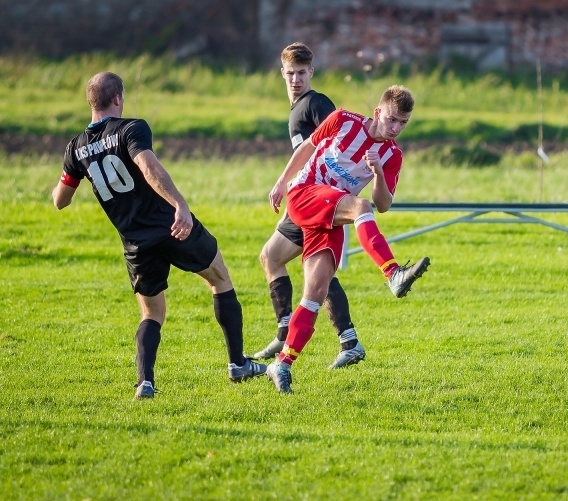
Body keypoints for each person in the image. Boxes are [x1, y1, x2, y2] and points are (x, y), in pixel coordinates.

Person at [51, 71, 266, 399]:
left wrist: (74, 170)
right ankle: (237, 365)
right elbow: (148, 167)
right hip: (172, 227)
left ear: (90, 102)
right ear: (118, 98)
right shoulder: (131, 128)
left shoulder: (75, 148)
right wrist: (179, 204)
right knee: (220, 279)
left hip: (135, 242)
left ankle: (145, 383)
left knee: (152, 313)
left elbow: (60, 201)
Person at [264, 84, 430, 394]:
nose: (396, 128)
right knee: (359, 206)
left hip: (332, 215)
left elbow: (384, 205)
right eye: (392, 119)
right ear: (378, 112)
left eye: (403, 123)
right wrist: (281, 183)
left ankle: (282, 364)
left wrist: (378, 173)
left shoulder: (392, 156)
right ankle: (393, 274)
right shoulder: (342, 120)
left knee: (315, 292)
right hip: (304, 194)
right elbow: (307, 148)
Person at [252, 42, 366, 370]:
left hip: (317, 199)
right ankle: (345, 340)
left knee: (293, 264)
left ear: (311, 72)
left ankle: (291, 331)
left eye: (302, 73)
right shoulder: (296, 108)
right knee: (296, 266)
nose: (295, 79)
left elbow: (337, 145)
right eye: (290, 73)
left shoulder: (316, 103)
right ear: (282, 73)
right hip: (306, 198)